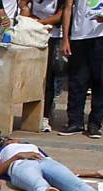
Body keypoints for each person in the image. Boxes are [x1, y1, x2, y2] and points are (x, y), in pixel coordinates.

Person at [59, 0, 103, 138]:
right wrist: (65, 39)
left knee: (101, 80)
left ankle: (95, 123)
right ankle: (75, 122)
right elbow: (68, 8)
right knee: (77, 80)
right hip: (79, 35)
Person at [25, 0, 63, 132]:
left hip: (52, 37)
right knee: (30, 77)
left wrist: (37, 23)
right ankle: (30, 115)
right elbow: (23, 6)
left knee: (48, 79)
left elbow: (59, 16)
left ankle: (45, 116)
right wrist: (28, 15)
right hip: (32, 36)